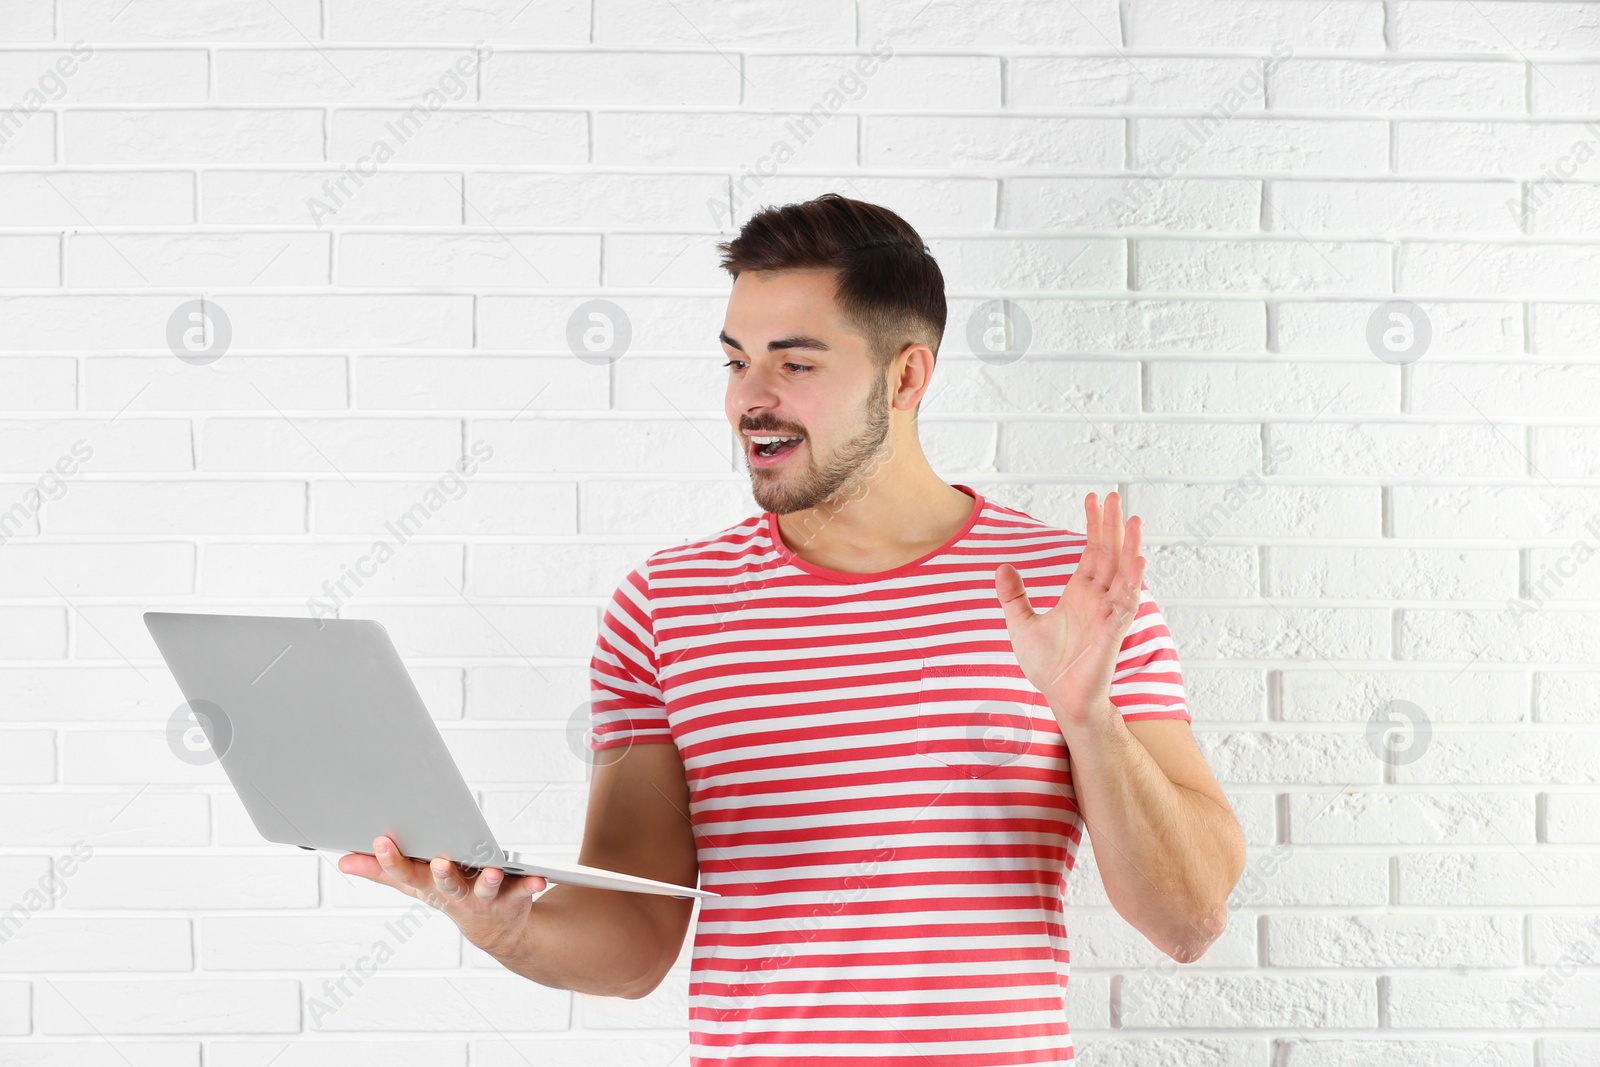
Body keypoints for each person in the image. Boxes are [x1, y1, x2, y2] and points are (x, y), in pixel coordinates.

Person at [341, 193, 1246, 1064]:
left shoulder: (1072, 591)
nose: (750, 399)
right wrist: (510, 928)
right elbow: (635, 942)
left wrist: (1090, 719)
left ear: (906, 376)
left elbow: (1190, 918)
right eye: (737, 361)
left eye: (796, 364)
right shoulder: (666, 605)